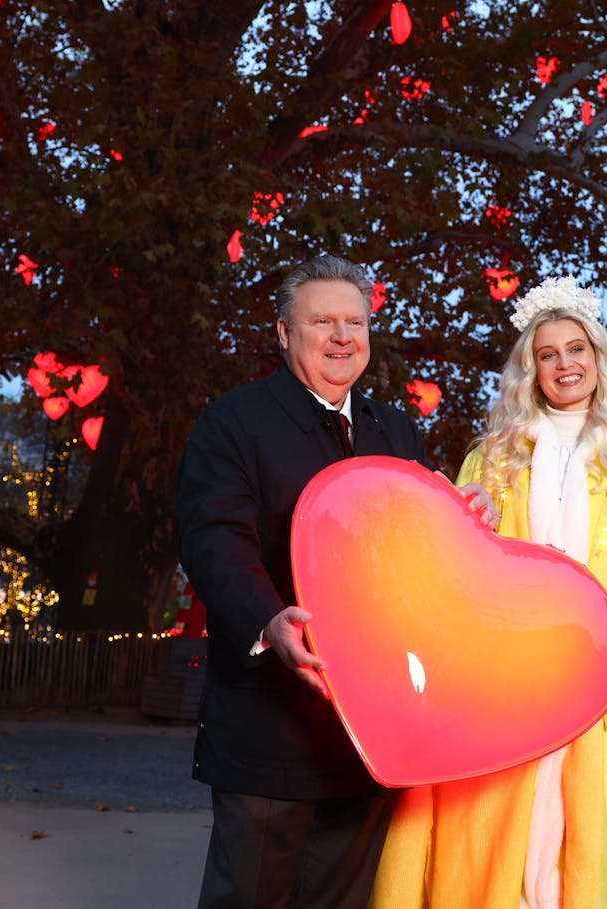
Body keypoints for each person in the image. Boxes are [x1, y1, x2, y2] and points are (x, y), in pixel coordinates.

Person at [370, 276, 607, 908]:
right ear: (531, 370)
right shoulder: (493, 461)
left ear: (598, 358)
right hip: (508, 688)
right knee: (505, 838)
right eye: (548, 354)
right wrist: (463, 519)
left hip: (596, 684)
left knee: (581, 840)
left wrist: (593, 642)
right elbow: (456, 576)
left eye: (576, 349)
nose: (565, 364)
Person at [175, 254, 496, 909]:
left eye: (356, 321)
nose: (342, 336)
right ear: (284, 333)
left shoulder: (397, 430)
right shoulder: (233, 423)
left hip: (369, 730)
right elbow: (215, 539)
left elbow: (417, 558)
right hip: (267, 722)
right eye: (323, 320)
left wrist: (465, 523)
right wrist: (268, 619)